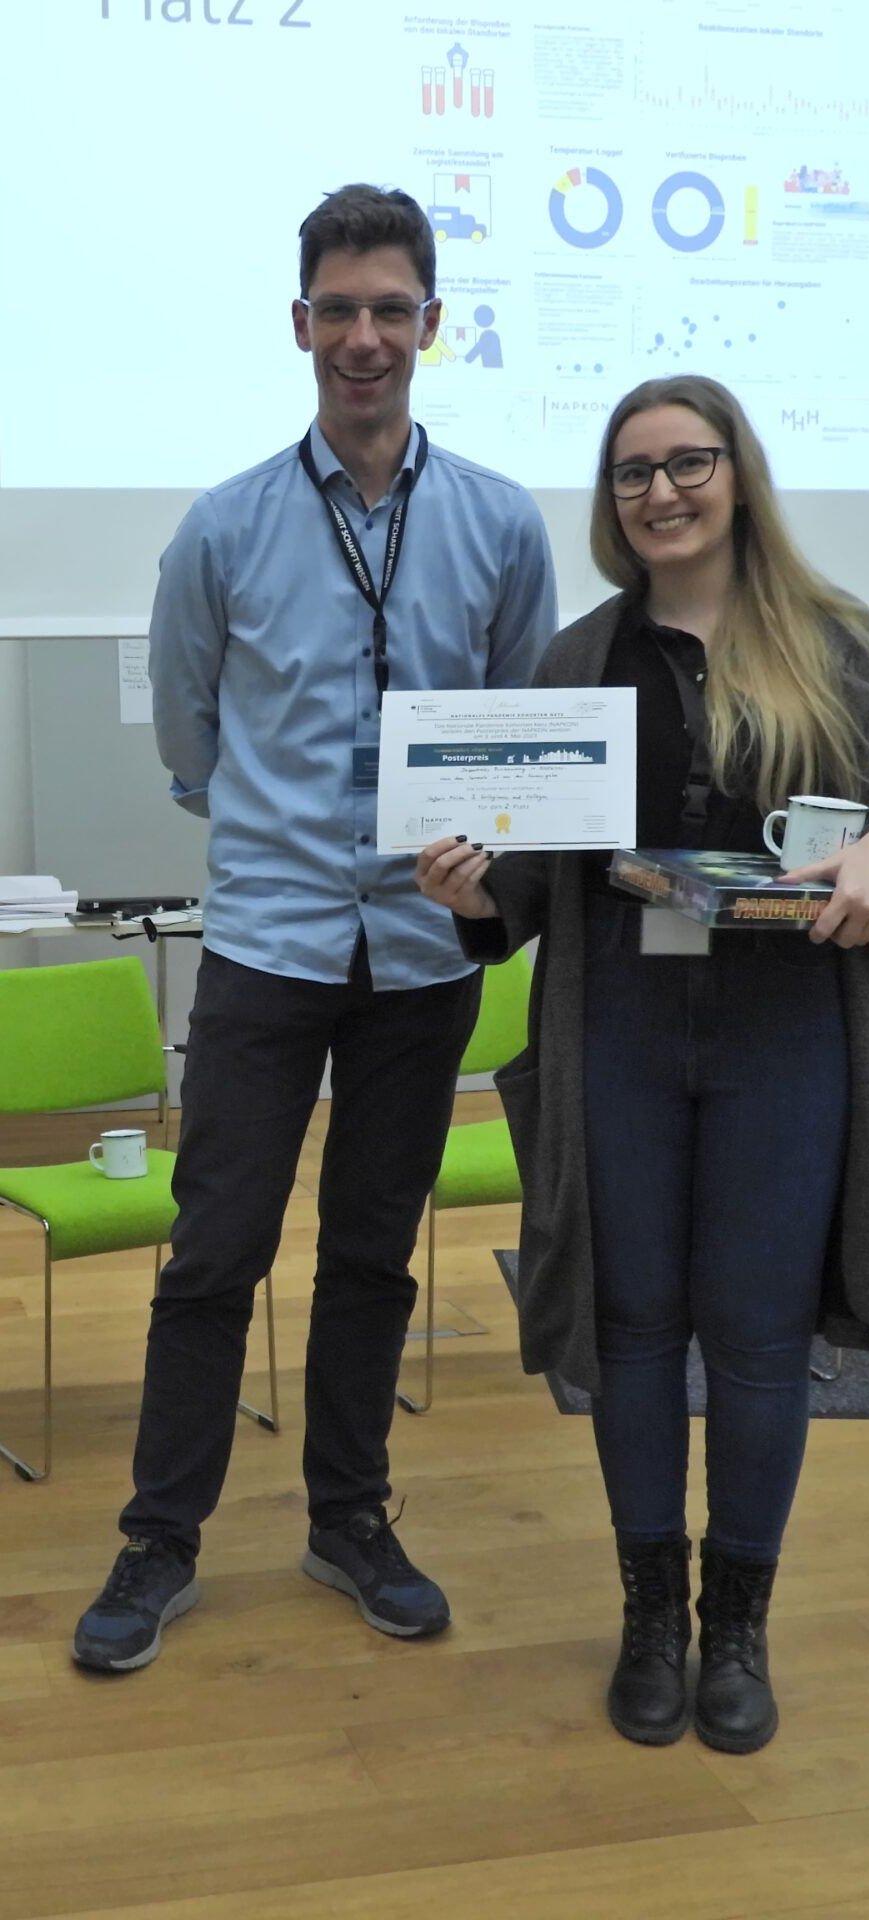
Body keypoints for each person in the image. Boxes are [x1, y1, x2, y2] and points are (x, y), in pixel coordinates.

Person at [416, 374, 869, 1752]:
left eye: (686, 463)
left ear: (739, 473)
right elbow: (535, 882)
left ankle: (737, 1626)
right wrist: (472, 893)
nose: (660, 492)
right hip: (615, 1021)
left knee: (753, 1337)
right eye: (631, 474)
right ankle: (648, 1620)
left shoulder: (836, 643)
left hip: (784, 1033)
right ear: (610, 504)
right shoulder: (577, 659)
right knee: (628, 1328)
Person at [72, 184, 557, 1673]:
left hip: (420, 961)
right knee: (213, 1250)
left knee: (370, 1254)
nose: (364, 337)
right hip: (270, 947)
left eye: (390, 309)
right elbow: (190, 734)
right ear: (301, 327)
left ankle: (350, 1515)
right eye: (338, 310)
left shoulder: (496, 522)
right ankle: (160, 1542)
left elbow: (519, 733)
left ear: (431, 325)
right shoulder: (220, 530)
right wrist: (288, 836)